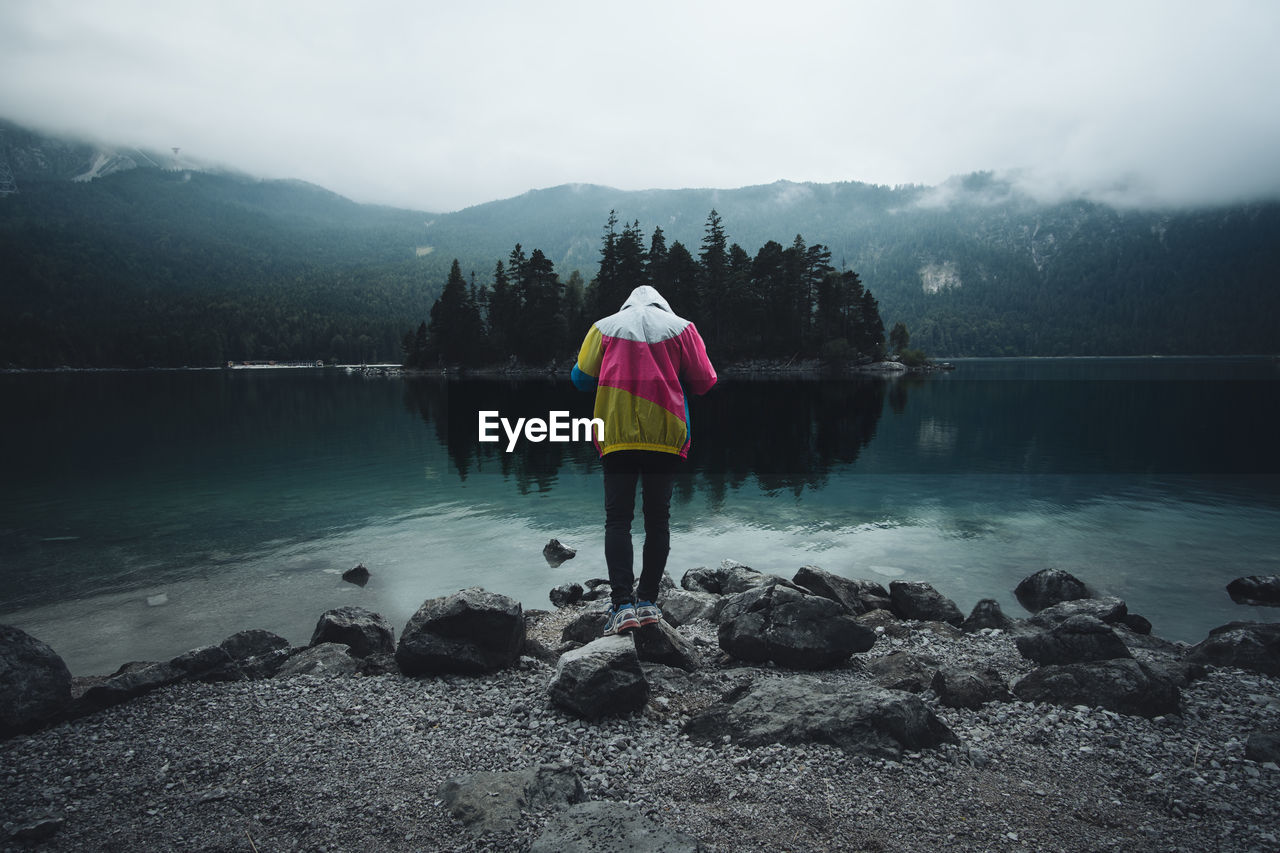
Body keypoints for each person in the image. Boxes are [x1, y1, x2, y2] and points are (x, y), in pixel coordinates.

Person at [572, 285, 717, 635]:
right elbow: (705, 382)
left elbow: (580, 379)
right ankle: (649, 602)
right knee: (658, 519)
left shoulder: (604, 327)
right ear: (662, 304)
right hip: (664, 434)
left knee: (618, 519)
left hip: (616, 433)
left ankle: (622, 605)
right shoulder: (682, 328)